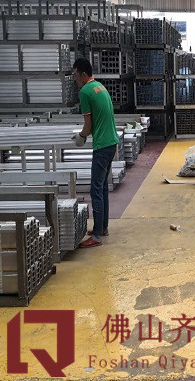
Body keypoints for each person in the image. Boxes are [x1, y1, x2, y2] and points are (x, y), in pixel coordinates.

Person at [72, 57, 119, 248]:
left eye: (76, 75)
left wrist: (80, 137)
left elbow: (88, 126)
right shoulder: (100, 86)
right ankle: (102, 227)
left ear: (84, 74)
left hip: (102, 146)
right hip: (112, 142)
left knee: (95, 189)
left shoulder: (85, 92)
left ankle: (97, 235)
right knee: (102, 188)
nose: (74, 79)